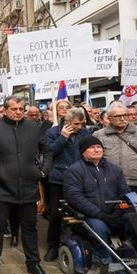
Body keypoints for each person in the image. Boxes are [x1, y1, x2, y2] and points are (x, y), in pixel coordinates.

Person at [0, 96, 53, 274]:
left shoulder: (34, 128)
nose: (18, 112)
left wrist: (42, 171)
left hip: (27, 187)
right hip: (2, 189)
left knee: (30, 228)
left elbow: (47, 151)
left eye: (21, 109)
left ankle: (33, 263)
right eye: (14, 109)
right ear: (5, 110)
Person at [63, 136, 134, 274]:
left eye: (99, 147)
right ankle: (103, 260)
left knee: (136, 218)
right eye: (92, 147)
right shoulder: (74, 170)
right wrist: (101, 215)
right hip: (91, 214)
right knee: (99, 227)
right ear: (83, 151)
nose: (97, 150)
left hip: (114, 211)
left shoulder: (114, 169)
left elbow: (124, 192)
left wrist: (118, 211)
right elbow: (75, 198)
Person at [42, 108, 90, 262]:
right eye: (76, 124)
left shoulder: (85, 133)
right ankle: (53, 246)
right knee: (55, 213)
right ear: (68, 122)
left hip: (79, 178)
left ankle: (77, 244)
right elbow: (49, 152)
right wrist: (63, 138)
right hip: (59, 178)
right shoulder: (53, 132)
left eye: (82, 124)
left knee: (78, 212)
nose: (79, 127)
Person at [93, 102, 137, 194]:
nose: (122, 118)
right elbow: (94, 160)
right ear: (109, 118)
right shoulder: (99, 135)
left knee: (136, 208)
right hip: (109, 182)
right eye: (117, 116)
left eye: (125, 115)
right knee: (112, 208)